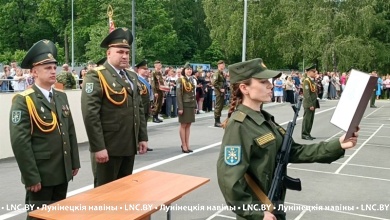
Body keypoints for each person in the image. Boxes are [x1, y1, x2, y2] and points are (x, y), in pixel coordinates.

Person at [216, 58, 359, 220]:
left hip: (273, 206)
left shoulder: (264, 119)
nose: (270, 85)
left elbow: (294, 151)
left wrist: (338, 144)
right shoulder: (239, 125)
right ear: (244, 88)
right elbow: (229, 180)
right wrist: (256, 213)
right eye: (263, 82)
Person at [9, 39, 80, 219]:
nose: (53, 71)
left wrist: (74, 161)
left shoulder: (60, 96)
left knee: (58, 216)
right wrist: (31, 176)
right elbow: (20, 142)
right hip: (42, 174)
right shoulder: (24, 100)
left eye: (54, 67)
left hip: (62, 171)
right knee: (38, 217)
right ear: (34, 72)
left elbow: (69, 131)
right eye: (47, 68)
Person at [81, 27, 148, 187]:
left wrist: (142, 137)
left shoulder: (131, 76)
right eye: (120, 52)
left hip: (128, 145)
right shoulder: (96, 76)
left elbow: (138, 108)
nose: (124, 56)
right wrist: (98, 147)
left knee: (125, 191)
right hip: (108, 147)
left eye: (127, 52)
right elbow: (91, 114)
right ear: (108, 53)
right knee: (105, 194)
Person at [176, 63, 197, 153]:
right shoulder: (180, 80)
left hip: (191, 104)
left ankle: (187, 144)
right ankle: (183, 144)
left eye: (190, 69)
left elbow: (194, 94)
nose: (189, 70)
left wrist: (195, 106)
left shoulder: (192, 80)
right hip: (184, 105)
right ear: (184, 70)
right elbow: (179, 94)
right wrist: (180, 107)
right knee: (183, 124)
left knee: (188, 124)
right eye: (187, 69)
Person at [135, 59, 153, 151]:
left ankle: (143, 142)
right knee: (139, 126)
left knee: (144, 125)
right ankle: (138, 144)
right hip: (139, 107)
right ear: (138, 69)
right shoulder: (137, 80)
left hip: (146, 106)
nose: (146, 70)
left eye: (147, 69)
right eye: (144, 69)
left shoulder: (145, 80)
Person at [301, 64, 318, 140]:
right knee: (307, 120)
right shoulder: (306, 81)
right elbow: (307, 94)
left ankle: (308, 133)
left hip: (313, 103)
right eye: (313, 71)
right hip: (309, 104)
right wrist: (310, 104)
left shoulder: (311, 80)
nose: (315, 73)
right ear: (308, 72)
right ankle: (304, 134)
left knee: (310, 120)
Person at [212, 60, 226, 127]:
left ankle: (218, 120)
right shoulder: (217, 73)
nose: (223, 66)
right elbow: (214, 83)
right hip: (219, 91)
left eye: (223, 65)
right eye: (222, 65)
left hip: (221, 91)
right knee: (218, 106)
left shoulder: (221, 73)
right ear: (218, 65)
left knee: (220, 106)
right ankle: (216, 121)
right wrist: (220, 89)